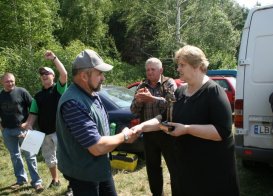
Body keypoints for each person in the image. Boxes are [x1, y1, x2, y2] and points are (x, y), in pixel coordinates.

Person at [132, 45, 240, 196]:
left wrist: (187, 128)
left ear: (197, 66)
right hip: (185, 171)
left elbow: (222, 131)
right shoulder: (181, 91)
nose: (178, 69)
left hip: (211, 173)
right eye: (178, 65)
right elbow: (163, 118)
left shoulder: (214, 92)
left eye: (182, 65)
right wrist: (140, 128)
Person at [56, 49, 138, 196]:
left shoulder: (92, 93)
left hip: (99, 168)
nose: (103, 78)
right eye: (99, 73)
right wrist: (125, 136)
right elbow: (97, 147)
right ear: (84, 75)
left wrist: (121, 128)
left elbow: (102, 122)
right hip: (83, 175)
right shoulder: (72, 103)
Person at [21, 50, 72, 194]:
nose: (44, 76)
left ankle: (71, 185)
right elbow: (33, 114)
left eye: (47, 73)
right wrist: (28, 125)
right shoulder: (37, 96)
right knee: (50, 159)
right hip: (44, 134)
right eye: (42, 74)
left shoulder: (58, 89)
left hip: (60, 131)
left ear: (53, 76)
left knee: (66, 158)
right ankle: (55, 180)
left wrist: (54, 58)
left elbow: (65, 74)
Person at [130, 57, 178, 196]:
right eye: (147, 70)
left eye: (153, 69)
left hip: (167, 132)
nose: (149, 72)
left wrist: (153, 99)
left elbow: (173, 103)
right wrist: (139, 101)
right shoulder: (141, 86)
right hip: (149, 133)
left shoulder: (168, 82)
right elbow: (133, 110)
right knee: (152, 168)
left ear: (161, 70)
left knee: (174, 166)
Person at [0, 73, 44, 193]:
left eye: (12, 81)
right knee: (15, 156)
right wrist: (2, 127)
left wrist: (28, 123)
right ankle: (21, 180)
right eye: (7, 81)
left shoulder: (22, 92)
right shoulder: (0, 95)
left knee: (30, 156)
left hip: (24, 130)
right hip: (8, 131)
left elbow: (34, 108)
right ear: (2, 82)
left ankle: (37, 182)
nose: (10, 83)